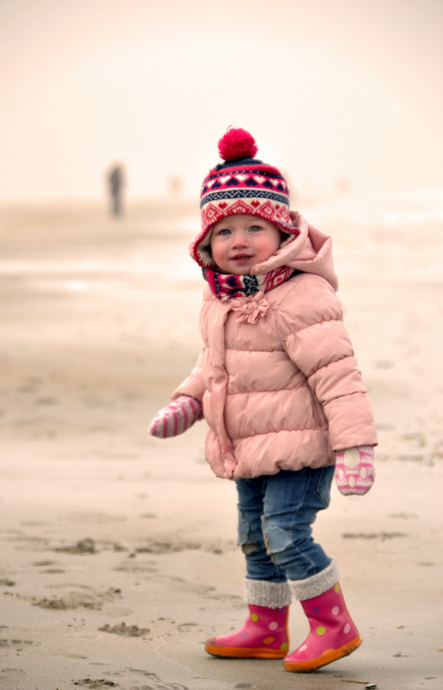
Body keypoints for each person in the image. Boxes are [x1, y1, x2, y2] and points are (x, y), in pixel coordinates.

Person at [148, 127, 377, 673]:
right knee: (254, 537)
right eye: (224, 231)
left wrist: (355, 447)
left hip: (303, 448)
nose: (239, 240)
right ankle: (266, 627)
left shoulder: (302, 296)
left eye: (255, 226)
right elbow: (216, 364)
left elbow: (337, 374)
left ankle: (333, 625)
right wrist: (189, 400)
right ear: (207, 242)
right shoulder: (220, 300)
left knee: (285, 533)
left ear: (282, 233)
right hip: (251, 447)